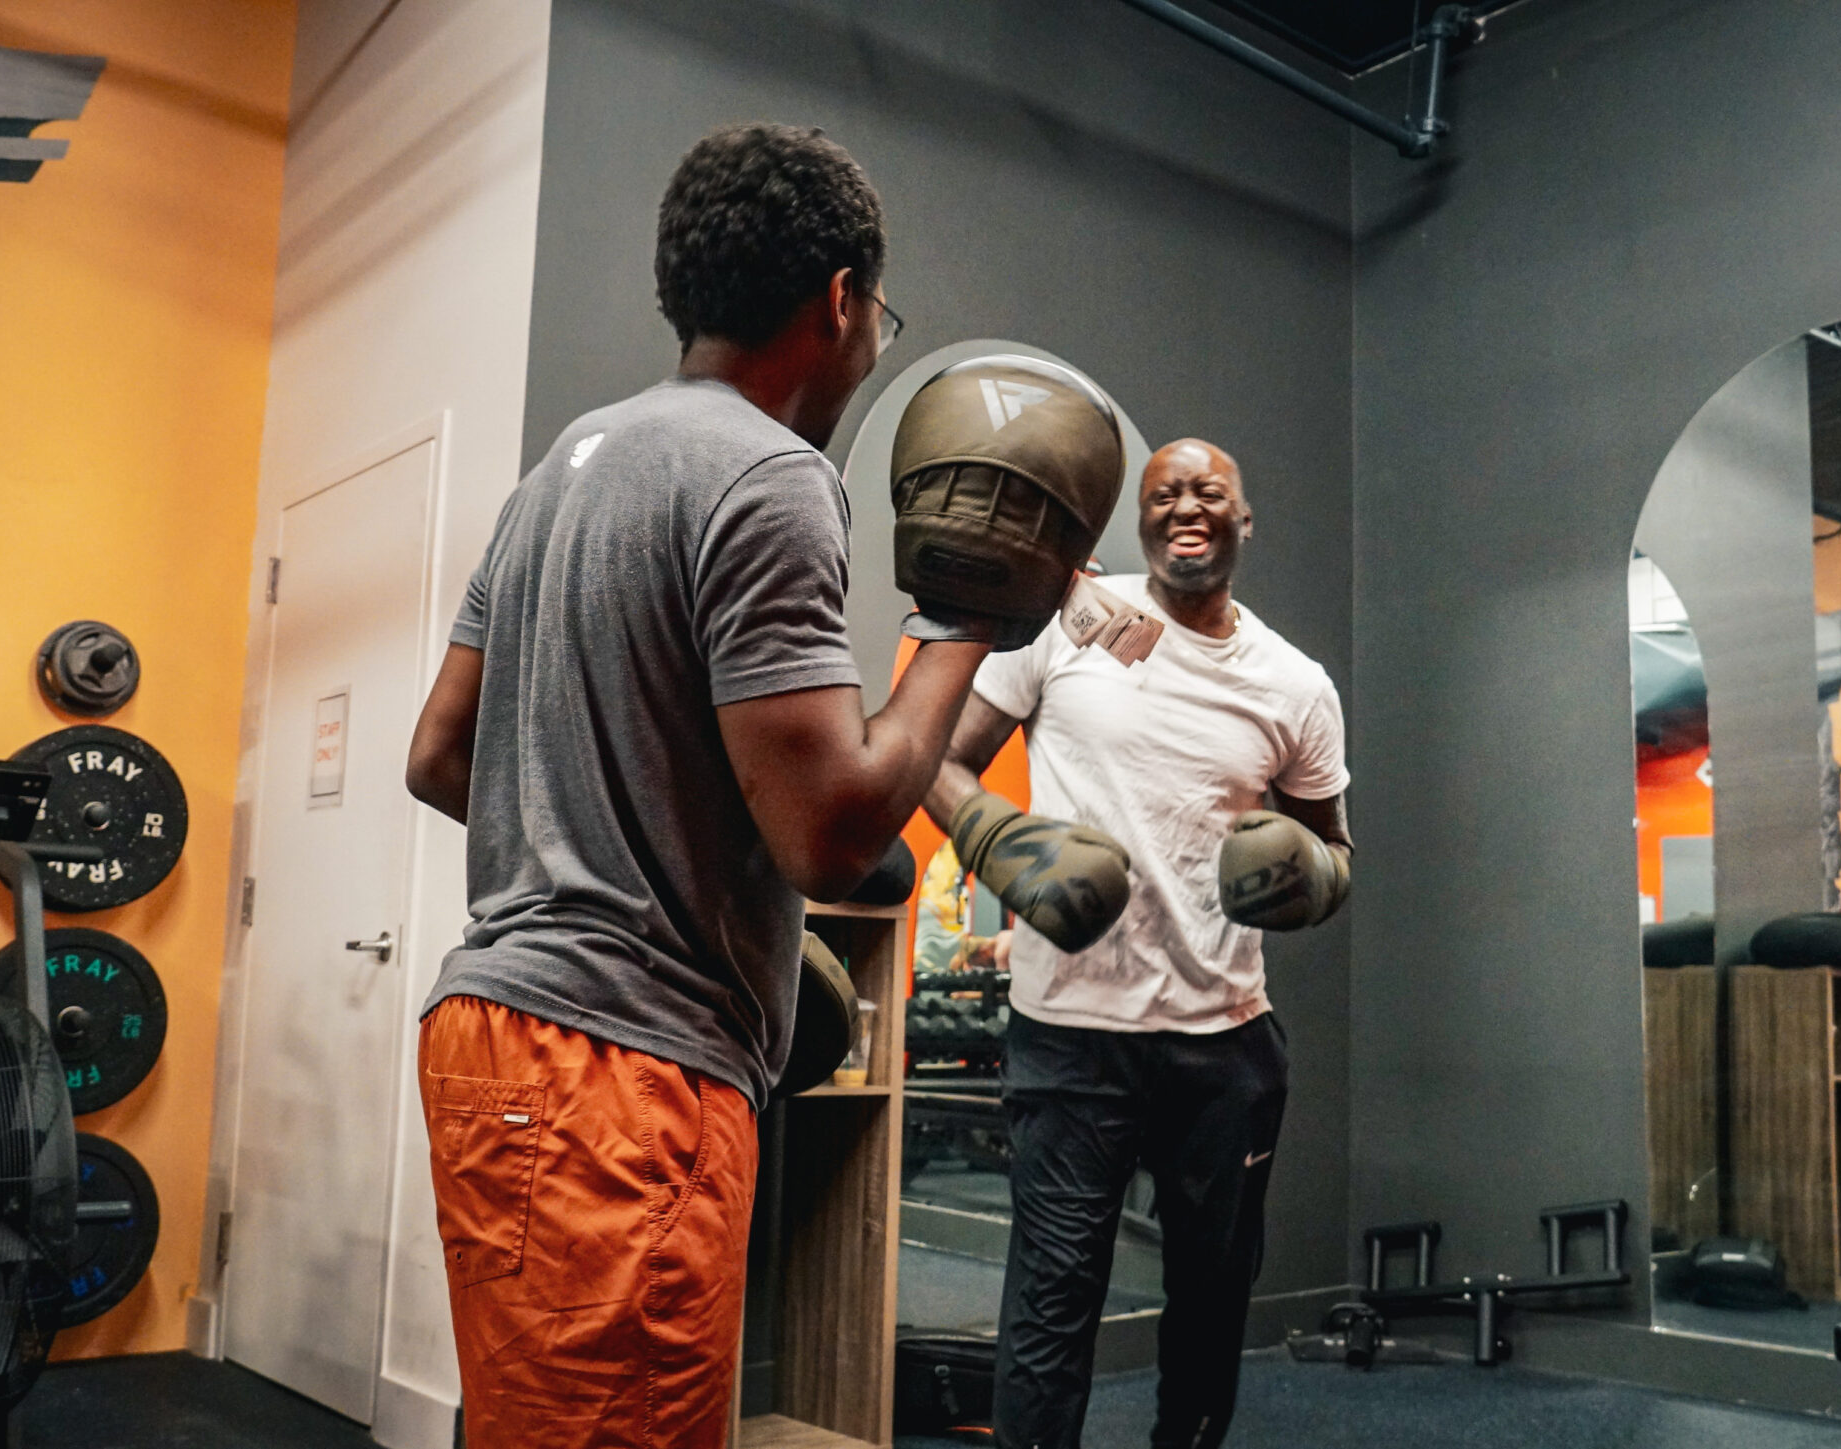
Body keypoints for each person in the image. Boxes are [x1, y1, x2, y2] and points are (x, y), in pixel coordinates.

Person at [400, 124, 1118, 1447]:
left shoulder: (566, 463)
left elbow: (442, 755)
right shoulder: (770, 474)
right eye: (876, 317)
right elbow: (831, 837)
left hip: (490, 1036)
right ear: (841, 301)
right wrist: (963, 617)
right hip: (620, 1073)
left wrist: (639, 853)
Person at [923, 439, 1351, 1449]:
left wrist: (1310, 878)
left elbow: (1334, 849)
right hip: (1071, 1034)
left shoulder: (1294, 684)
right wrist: (997, 838)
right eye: (1164, 494)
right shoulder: (1067, 626)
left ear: (1245, 523)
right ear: (1143, 520)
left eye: (1209, 492)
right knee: (1049, 1306)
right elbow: (940, 760)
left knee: (1210, 1304)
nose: (1185, 507)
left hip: (1225, 1043)